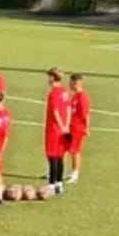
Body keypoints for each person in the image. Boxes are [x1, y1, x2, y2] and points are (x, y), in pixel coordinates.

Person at [44, 67, 73, 195]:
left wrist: (60, 125)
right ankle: (59, 184)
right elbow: (68, 110)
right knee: (60, 156)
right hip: (63, 129)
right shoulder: (65, 92)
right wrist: (66, 126)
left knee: (52, 157)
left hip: (54, 130)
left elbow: (55, 112)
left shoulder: (53, 93)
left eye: (49, 76)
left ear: (52, 78)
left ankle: (51, 184)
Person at [68, 73, 92, 183]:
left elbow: (86, 113)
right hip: (73, 127)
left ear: (75, 83)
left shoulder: (82, 97)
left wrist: (87, 127)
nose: (69, 84)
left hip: (78, 128)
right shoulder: (75, 96)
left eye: (70, 82)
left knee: (76, 151)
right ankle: (73, 172)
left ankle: (75, 174)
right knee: (72, 150)